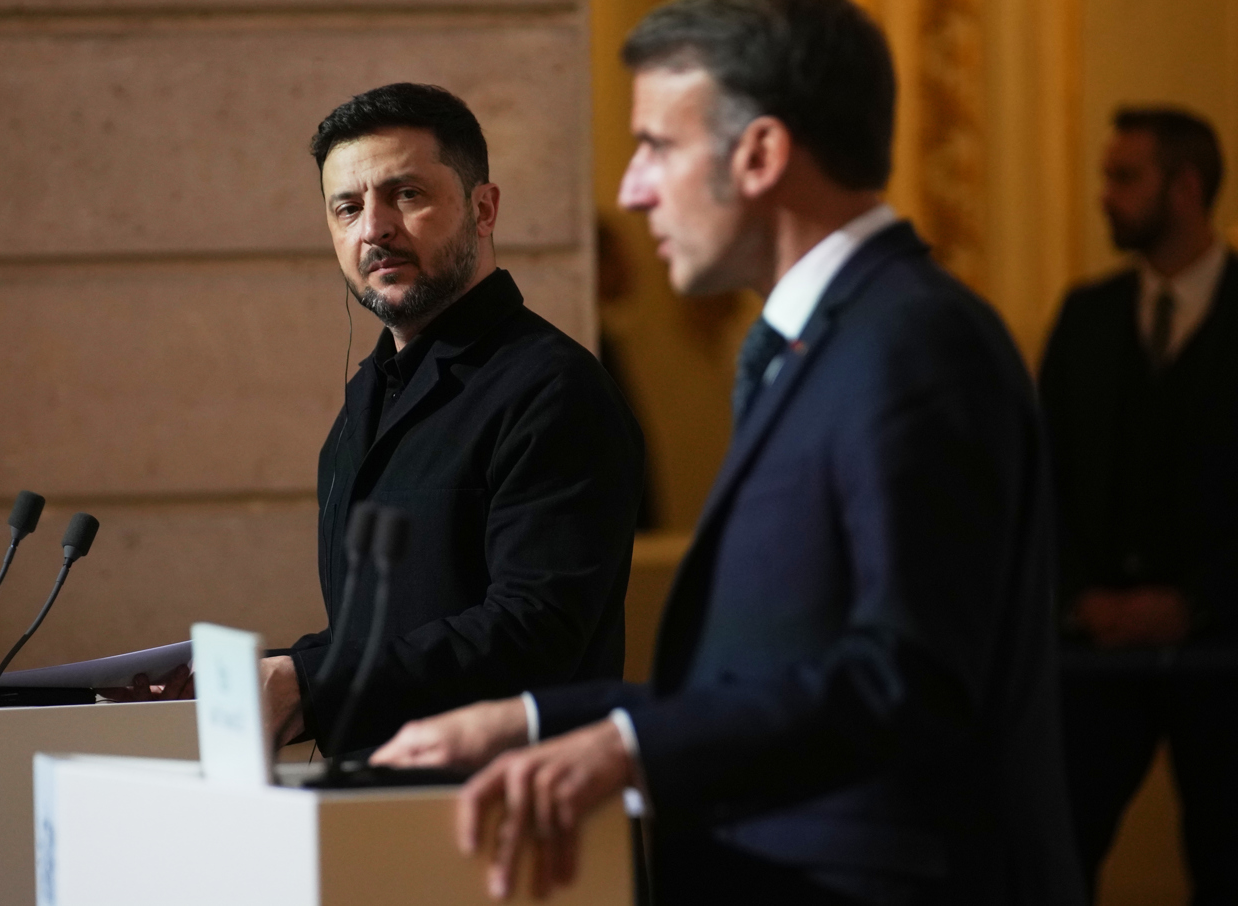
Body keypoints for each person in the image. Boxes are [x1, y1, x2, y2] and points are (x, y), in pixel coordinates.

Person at [371, 3, 1084, 904]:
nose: (632, 190)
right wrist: (526, 720)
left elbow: (908, 677)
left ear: (759, 155)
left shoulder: (915, 341)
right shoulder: (814, 346)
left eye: (657, 147)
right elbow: (757, 682)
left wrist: (624, 750)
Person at [166, 82, 642, 755]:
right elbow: (382, 632)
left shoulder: (554, 388)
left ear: (484, 208)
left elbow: (534, 634)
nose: (374, 228)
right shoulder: (367, 398)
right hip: (379, 812)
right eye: (348, 207)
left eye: (407, 195)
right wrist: (245, 678)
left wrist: (307, 683)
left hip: (511, 819)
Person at [1039, 107, 1238, 904]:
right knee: (1055, 849)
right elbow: (1042, 474)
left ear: (1185, 188)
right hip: (1093, 653)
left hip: (1227, 655)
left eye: (1126, 177)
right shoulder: (1085, 318)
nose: (1105, 195)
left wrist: (1193, 604)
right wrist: (1084, 598)